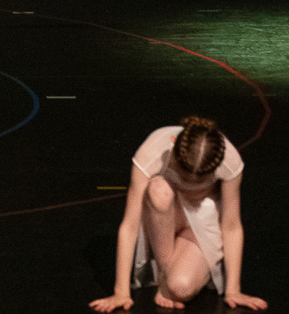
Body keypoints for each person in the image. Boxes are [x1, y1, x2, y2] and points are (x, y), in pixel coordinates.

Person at [90, 117, 265, 312]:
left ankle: (174, 276)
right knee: (159, 190)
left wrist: (234, 290)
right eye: (184, 176)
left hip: (200, 223)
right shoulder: (152, 151)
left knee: (181, 288)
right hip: (161, 221)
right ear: (172, 144)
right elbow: (129, 225)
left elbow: (232, 226)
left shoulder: (228, 159)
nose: (190, 183)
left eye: (200, 179)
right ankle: (163, 272)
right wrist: (121, 292)